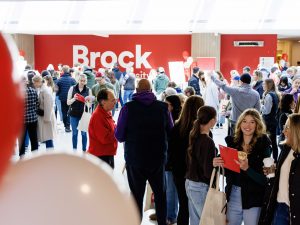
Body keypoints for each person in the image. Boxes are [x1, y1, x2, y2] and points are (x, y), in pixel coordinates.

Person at [115, 79, 173, 225]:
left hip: (135, 159)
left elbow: (120, 136)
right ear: (151, 89)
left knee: (136, 197)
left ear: (136, 89)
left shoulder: (127, 108)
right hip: (157, 159)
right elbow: (171, 131)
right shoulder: (163, 107)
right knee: (160, 195)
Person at [213, 109, 272, 225]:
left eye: (252, 122)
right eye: (244, 121)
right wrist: (216, 164)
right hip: (233, 193)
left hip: (254, 197)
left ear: (257, 125)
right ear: (239, 124)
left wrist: (248, 169)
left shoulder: (264, 145)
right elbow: (224, 171)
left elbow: (267, 180)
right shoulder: (232, 143)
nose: (247, 125)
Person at [169, 96, 205, 225]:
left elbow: (171, 153)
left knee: (183, 206)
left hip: (179, 173)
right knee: (198, 210)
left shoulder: (176, 128)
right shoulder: (202, 131)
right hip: (197, 176)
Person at [259, 114, 300, 225]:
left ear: (297, 130)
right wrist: (273, 171)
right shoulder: (286, 149)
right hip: (280, 206)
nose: (283, 131)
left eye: (287, 127)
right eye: (284, 127)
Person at [185, 106, 217, 225]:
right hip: (200, 186)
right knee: (206, 221)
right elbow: (208, 172)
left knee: (195, 221)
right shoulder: (208, 141)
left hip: (190, 182)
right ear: (213, 121)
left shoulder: (194, 135)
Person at [88, 89, 117, 168]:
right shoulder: (98, 117)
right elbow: (105, 138)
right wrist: (119, 131)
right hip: (100, 156)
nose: (115, 102)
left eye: (115, 99)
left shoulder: (106, 112)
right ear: (103, 102)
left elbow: (112, 127)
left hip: (107, 153)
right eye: (113, 100)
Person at [165, 95, 182, 224]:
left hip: (173, 160)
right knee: (168, 189)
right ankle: (169, 213)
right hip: (167, 159)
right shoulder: (167, 117)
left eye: (168, 104)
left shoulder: (178, 120)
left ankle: (171, 216)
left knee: (171, 189)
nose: (166, 107)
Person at [67, 74, 92, 151]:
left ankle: (84, 150)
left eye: (84, 81)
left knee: (84, 134)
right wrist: (74, 98)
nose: (82, 82)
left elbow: (90, 105)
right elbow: (68, 102)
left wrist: (87, 101)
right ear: (78, 80)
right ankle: (74, 150)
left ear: (86, 81)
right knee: (75, 133)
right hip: (73, 114)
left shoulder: (88, 90)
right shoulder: (72, 88)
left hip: (84, 115)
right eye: (81, 80)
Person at [32, 75, 56, 149]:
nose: (34, 84)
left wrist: (47, 118)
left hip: (46, 117)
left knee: (48, 137)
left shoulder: (45, 90)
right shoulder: (42, 89)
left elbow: (48, 105)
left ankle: (50, 154)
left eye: (34, 83)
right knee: (47, 136)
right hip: (44, 116)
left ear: (38, 82)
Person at [19, 75, 38, 156]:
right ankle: (35, 154)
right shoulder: (33, 91)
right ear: (26, 82)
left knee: (21, 138)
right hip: (33, 118)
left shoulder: (18, 93)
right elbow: (37, 104)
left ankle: (22, 154)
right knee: (33, 137)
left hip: (21, 120)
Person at [261, 79, 280, 162]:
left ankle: (267, 159)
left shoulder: (269, 95)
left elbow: (267, 111)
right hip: (273, 121)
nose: (262, 85)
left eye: (264, 84)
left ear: (268, 85)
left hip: (268, 122)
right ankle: (275, 159)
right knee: (273, 141)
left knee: (266, 141)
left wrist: (261, 106)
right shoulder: (276, 94)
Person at [56, 65, 76, 132]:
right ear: (68, 71)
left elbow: (57, 89)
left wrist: (58, 94)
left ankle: (66, 125)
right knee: (70, 112)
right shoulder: (72, 79)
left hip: (62, 98)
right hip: (70, 98)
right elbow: (75, 88)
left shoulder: (59, 80)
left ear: (62, 71)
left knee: (64, 112)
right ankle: (68, 125)